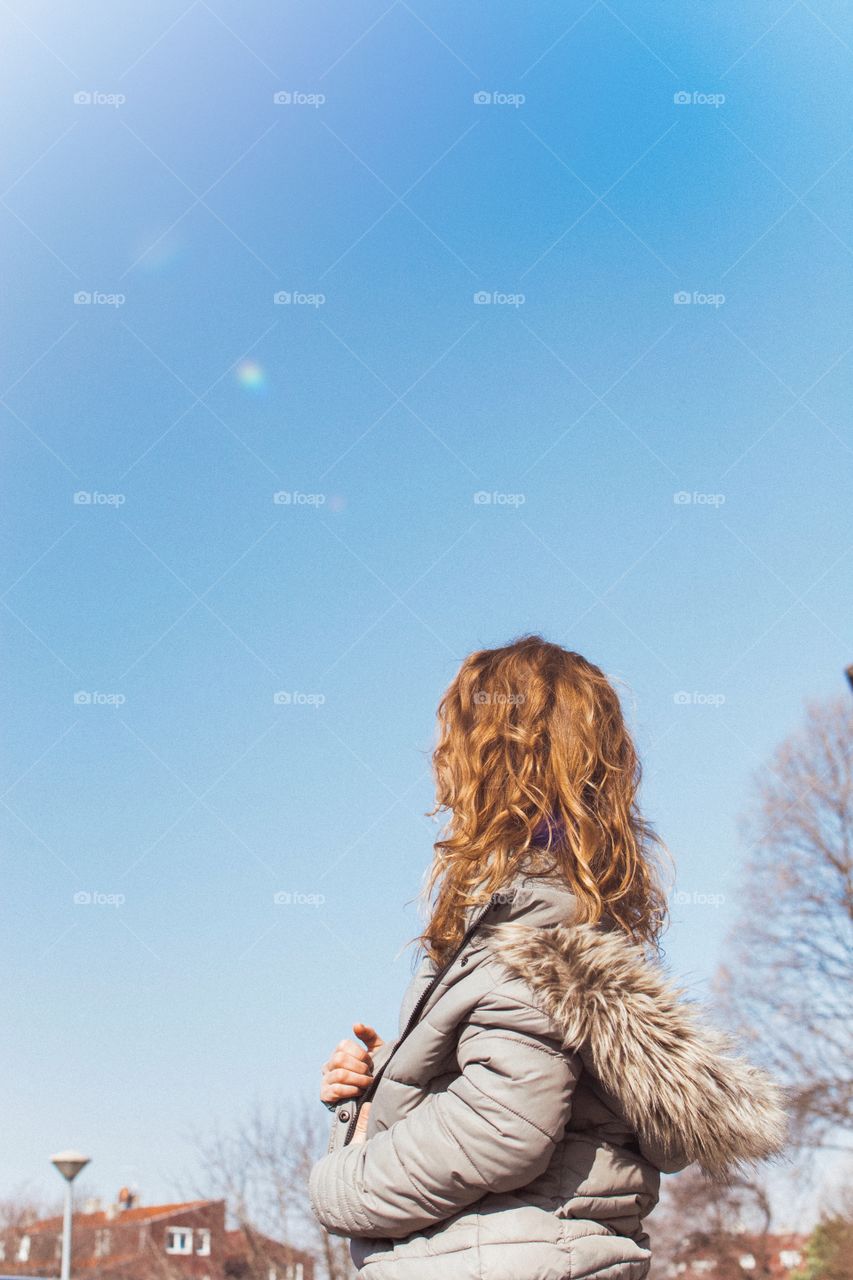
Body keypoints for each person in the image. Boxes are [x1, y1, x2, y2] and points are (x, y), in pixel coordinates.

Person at [309, 636, 786, 1279]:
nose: (440, 764)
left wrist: (339, 1181)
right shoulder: (566, 918)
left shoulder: (532, 923)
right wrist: (377, 1091)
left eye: (454, 740)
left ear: (495, 758)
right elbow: (524, 1081)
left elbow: (503, 1128)